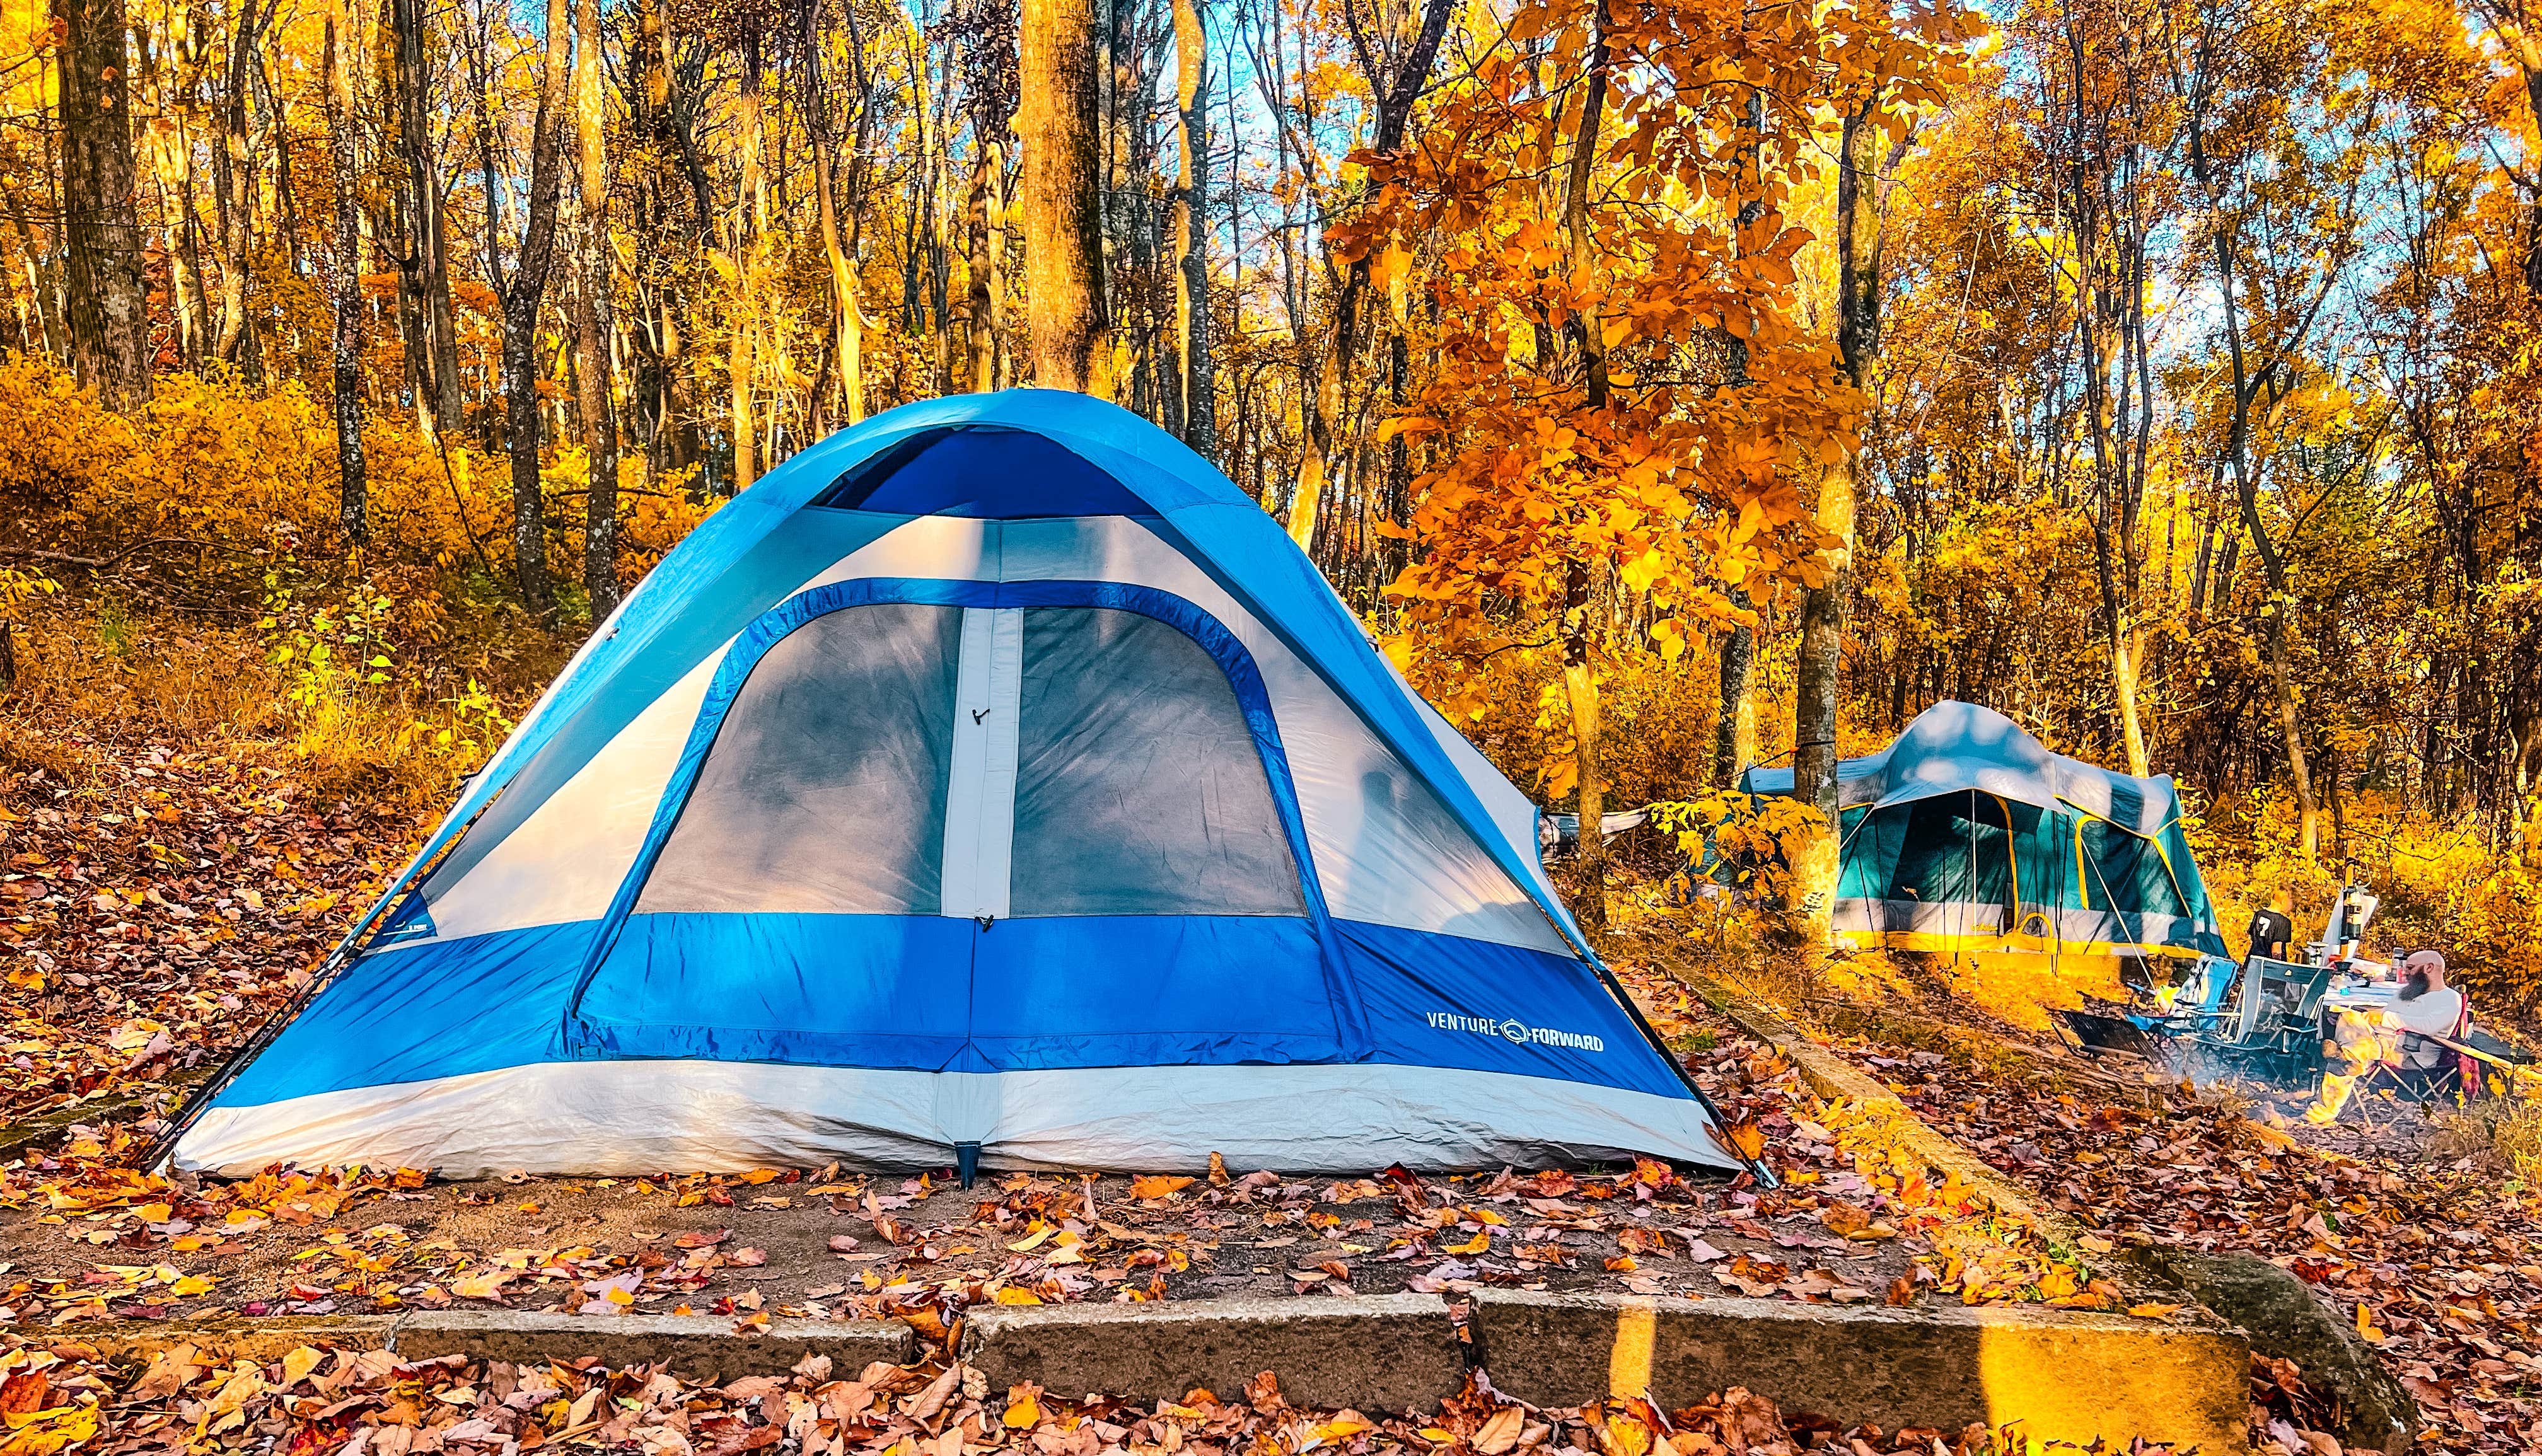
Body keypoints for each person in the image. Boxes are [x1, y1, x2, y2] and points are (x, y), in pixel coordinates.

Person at [2306, 950, 2468, 1123]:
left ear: (2429, 968)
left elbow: (2428, 1026)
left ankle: (2341, 1077)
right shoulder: (2407, 993)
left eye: (2411, 968)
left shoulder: (2449, 998)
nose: (2405, 972)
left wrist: (2384, 1019)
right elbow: (2384, 1016)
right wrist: (2361, 1016)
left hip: (2409, 1054)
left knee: (2351, 1052)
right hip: (2380, 1042)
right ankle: (2351, 1059)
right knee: (2348, 1017)